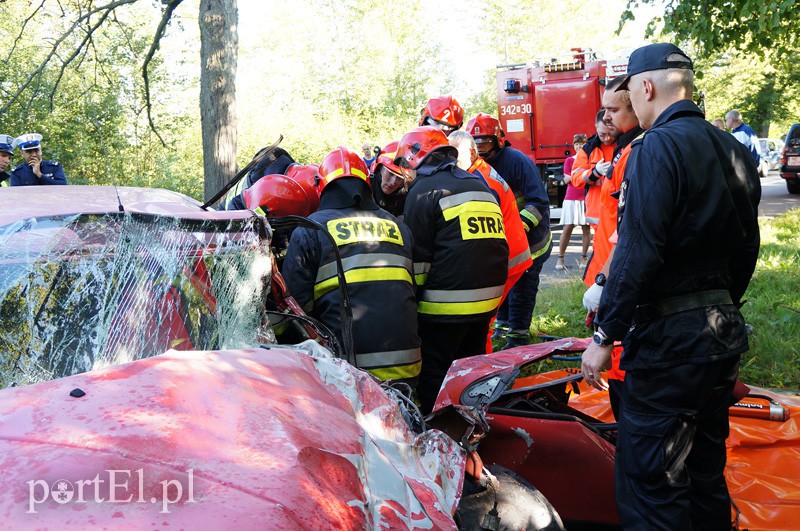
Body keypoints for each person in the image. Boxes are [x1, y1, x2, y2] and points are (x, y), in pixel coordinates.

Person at [580, 43, 761, 529]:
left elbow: (639, 248)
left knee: (652, 487)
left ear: (645, 87)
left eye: (629, 97)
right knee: (704, 475)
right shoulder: (734, 149)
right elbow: (748, 248)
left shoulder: (655, 147)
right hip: (720, 335)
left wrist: (605, 335)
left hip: (668, 346)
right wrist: (721, 304)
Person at [282, 146, 421, 384]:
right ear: (368, 184)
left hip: (347, 372)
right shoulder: (399, 227)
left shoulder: (311, 229)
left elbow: (295, 306)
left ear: (322, 187)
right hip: (407, 365)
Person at [394, 126, 508, 413]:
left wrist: (410, 306)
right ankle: (476, 422)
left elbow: (418, 260)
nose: (405, 175)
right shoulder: (478, 183)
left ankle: (441, 431)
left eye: (404, 166)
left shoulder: (423, 190)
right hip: (487, 302)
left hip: (445, 307)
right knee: (471, 369)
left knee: (436, 370)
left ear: (413, 158)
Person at [581, 74, 644, 419]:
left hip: (619, 277)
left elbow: (630, 232)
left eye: (612, 109)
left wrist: (605, 282)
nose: (605, 118)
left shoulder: (636, 152)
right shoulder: (622, 149)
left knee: (624, 371)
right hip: (609, 269)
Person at [466, 113, 551, 348]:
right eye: (476, 143)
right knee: (502, 281)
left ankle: (518, 337)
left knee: (523, 286)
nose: (480, 148)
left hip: (531, 240)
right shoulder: (476, 167)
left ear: (498, 140)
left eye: (485, 141)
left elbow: (539, 202)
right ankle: (502, 329)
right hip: (504, 239)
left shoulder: (516, 161)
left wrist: (518, 226)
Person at [448, 130, 532, 352]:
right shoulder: (479, 173)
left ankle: (482, 370)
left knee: (482, 317)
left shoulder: (480, 181)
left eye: (456, 156)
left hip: (509, 257)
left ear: (473, 153)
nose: (452, 163)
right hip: (510, 253)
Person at [570, 112, 617, 230]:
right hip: (598, 215)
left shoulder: (624, 145)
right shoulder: (588, 150)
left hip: (617, 212)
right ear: (596, 126)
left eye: (610, 133)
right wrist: (595, 172)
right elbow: (576, 178)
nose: (607, 138)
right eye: (602, 134)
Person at [555, 134, 591, 270]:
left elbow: (576, 178)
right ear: (573, 146)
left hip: (585, 197)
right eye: (576, 144)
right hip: (571, 197)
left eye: (581, 144)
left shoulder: (589, 159)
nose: (579, 146)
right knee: (567, 228)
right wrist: (582, 177)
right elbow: (566, 179)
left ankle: (584, 258)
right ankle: (560, 258)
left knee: (586, 228)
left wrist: (575, 177)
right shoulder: (569, 160)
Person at [368, 141, 408, 217]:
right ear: (379, 168)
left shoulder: (406, 194)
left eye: (400, 177)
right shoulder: (364, 186)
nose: (394, 182)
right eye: (390, 174)